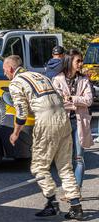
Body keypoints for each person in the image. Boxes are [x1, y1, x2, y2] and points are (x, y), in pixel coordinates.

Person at [3, 55, 83, 220]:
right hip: (63, 119)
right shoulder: (40, 75)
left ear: (11, 69)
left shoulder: (16, 83)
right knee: (65, 166)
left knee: (39, 167)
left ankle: (52, 202)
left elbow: (21, 112)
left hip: (46, 122)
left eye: (5, 70)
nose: (5, 74)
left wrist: (16, 132)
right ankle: (76, 205)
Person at [52, 48, 94, 191]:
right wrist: (76, 102)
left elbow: (88, 100)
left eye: (81, 60)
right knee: (65, 160)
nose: (81, 63)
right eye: (78, 60)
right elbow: (57, 101)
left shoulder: (84, 80)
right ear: (69, 61)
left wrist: (70, 98)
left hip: (79, 122)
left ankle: (77, 190)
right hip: (64, 123)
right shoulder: (57, 79)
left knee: (79, 158)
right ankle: (69, 190)